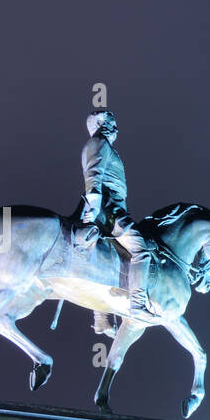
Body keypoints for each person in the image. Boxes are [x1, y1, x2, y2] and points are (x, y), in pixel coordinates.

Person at [77, 110, 153, 321]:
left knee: (115, 256)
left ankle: (101, 318)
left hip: (115, 208)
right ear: (100, 124)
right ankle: (137, 304)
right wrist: (91, 213)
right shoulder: (99, 143)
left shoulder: (106, 146)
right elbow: (94, 177)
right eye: (111, 123)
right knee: (140, 250)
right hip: (108, 211)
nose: (116, 128)